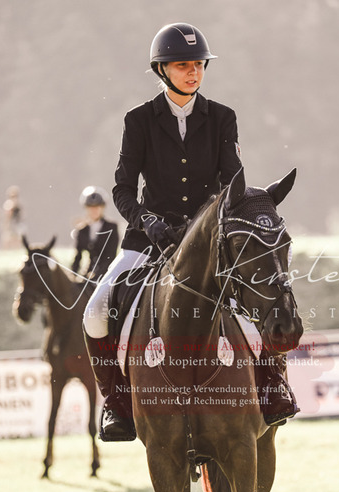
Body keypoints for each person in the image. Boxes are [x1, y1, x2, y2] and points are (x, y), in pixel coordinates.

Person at [83, 22, 289, 442]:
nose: (194, 72)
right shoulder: (138, 120)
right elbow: (122, 189)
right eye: (183, 65)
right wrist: (147, 221)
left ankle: (272, 386)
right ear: (162, 69)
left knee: (257, 296)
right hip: (150, 238)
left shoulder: (222, 118)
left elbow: (232, 183)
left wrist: (248, 211)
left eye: (198, 64)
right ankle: (117, 402)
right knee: (96, 311)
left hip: (208, 241)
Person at [71, 186, 119, 281]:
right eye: (91, 207)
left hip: (108, 273)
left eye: (97, 207)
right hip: (88, 274)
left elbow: (110, 255)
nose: (94, 210)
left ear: (102, 208)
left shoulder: (112, 227)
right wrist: (73, 275)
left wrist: (97, 274)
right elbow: (78, 257)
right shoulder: (82, 230)